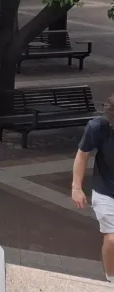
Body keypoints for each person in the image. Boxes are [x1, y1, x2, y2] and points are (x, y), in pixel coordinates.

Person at [72, 95, 114, 283]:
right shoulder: (98, 127)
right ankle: (111, 279)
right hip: (106, 189)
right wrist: (76, 187)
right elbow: (82, 155)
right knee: (112, 239)